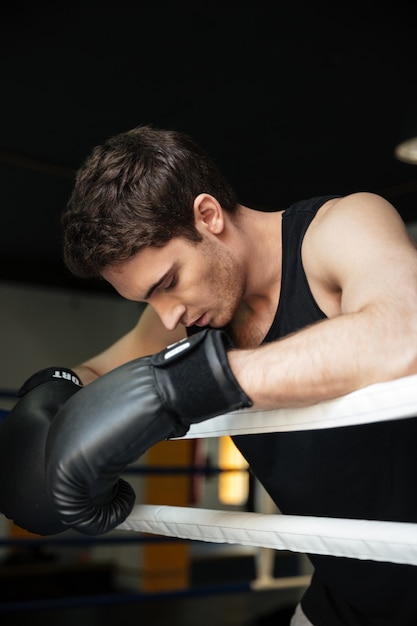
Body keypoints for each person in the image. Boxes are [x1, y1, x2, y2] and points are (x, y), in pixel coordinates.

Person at [2, 125, 417, 625]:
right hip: (346, 593)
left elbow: (404, 332)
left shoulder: (338, 230)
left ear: (208, 215)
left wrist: (191, 385)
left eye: (168, 282)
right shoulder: (187, 313)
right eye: (146, 300)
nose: (166, 317)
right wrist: (45, 406)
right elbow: (94, 371)